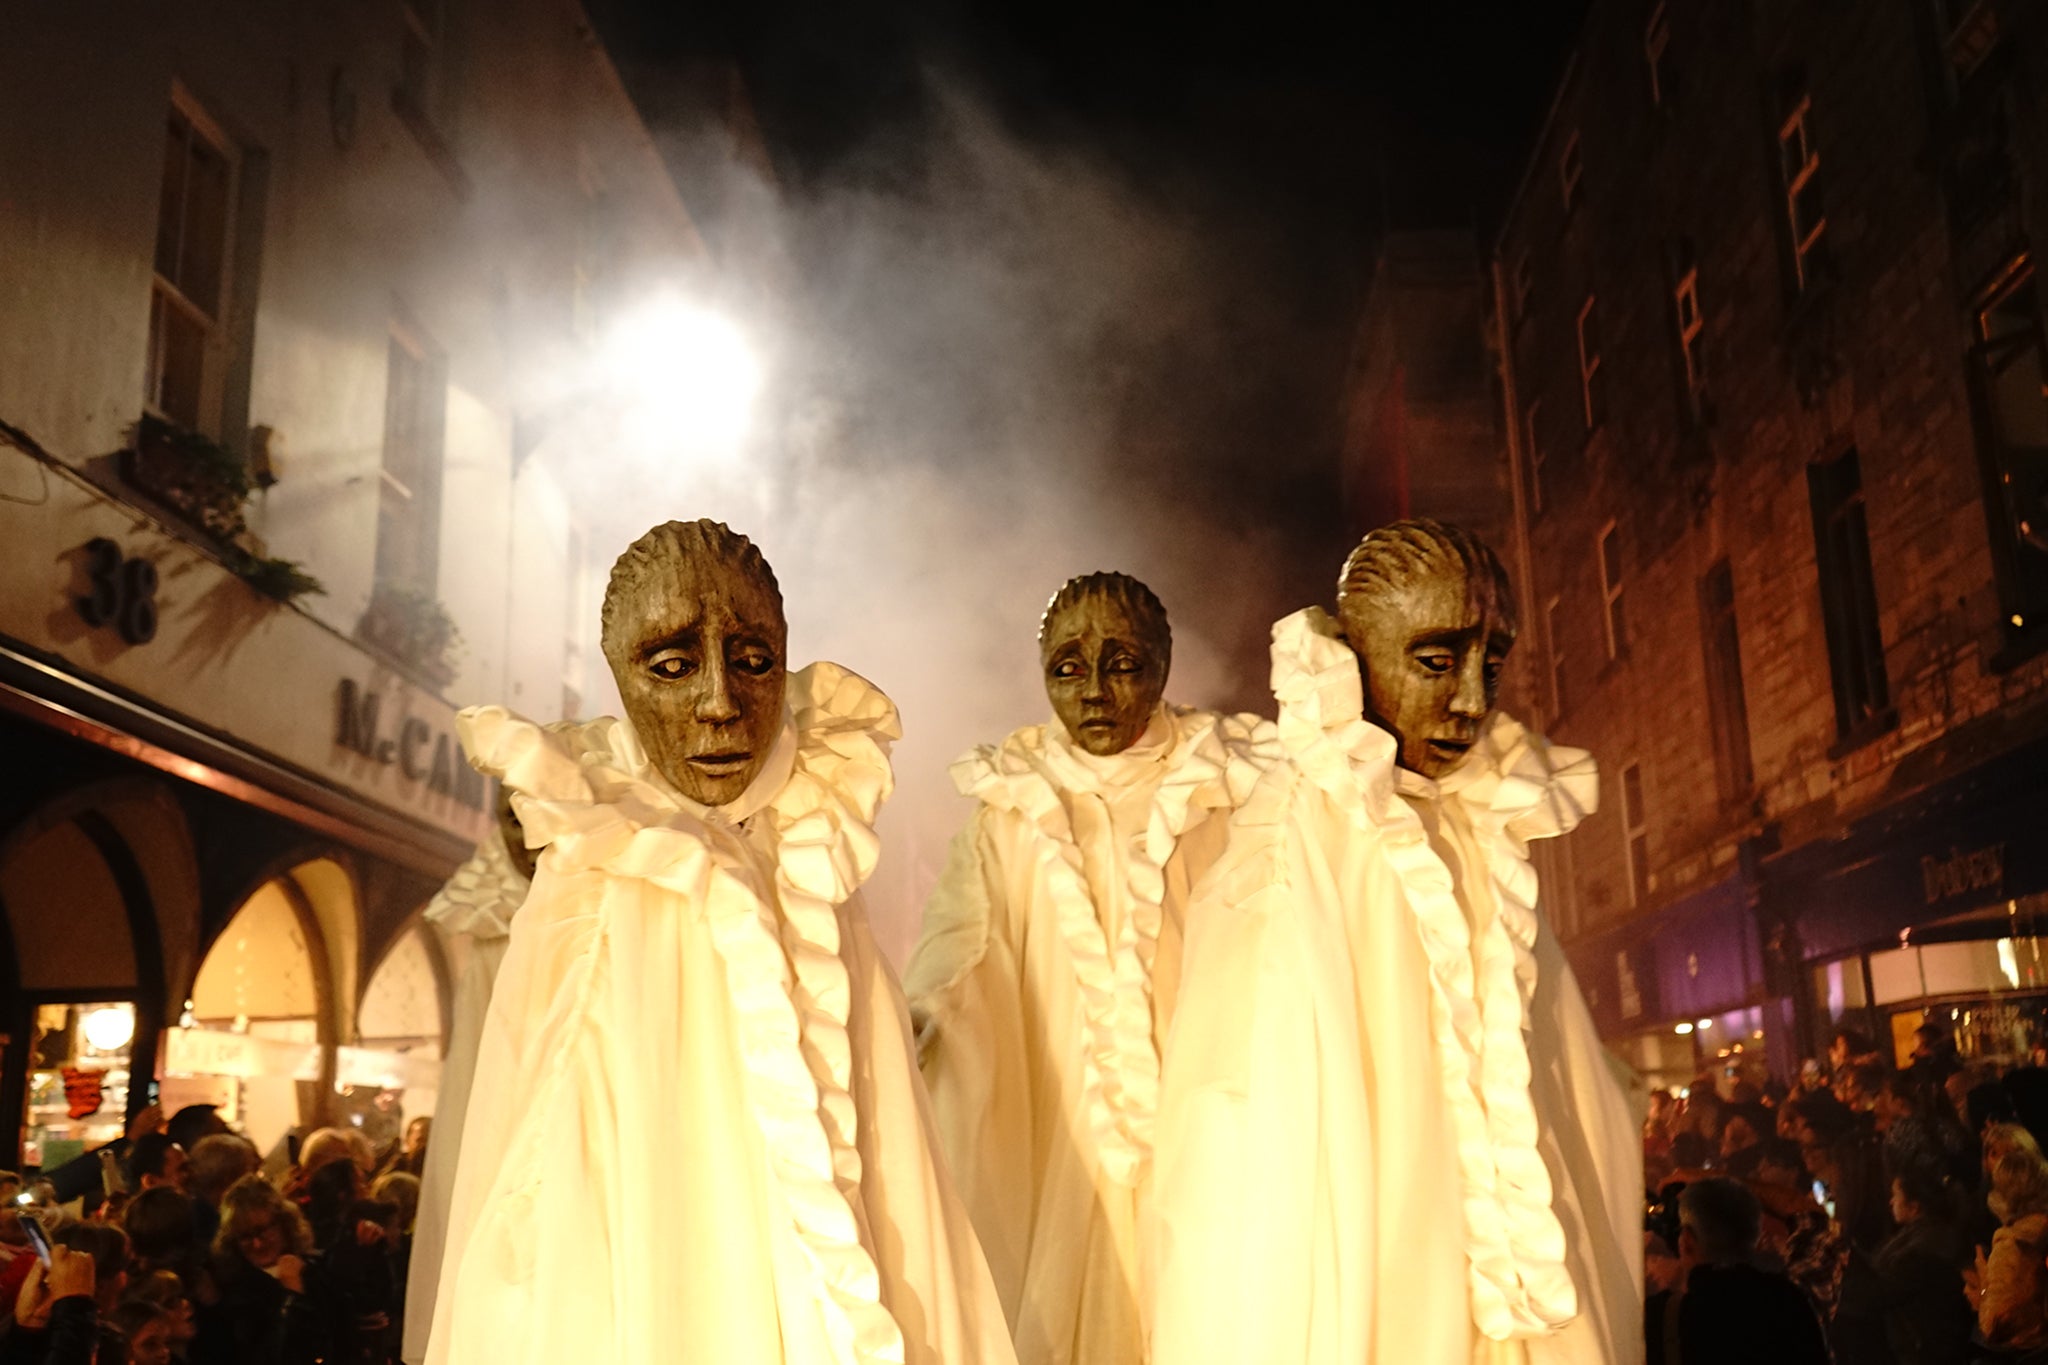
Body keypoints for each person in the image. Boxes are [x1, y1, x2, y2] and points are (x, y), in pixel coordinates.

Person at [428, 521, 1015, 1365]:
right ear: (624, 680)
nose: (719, 702)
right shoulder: (594, 883)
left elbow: (893, 1172)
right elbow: (550, 1180)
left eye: (751, 660)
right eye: (670, 666)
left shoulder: (813, 857)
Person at [1152, 520, 1640, 1365]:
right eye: (1437, 660)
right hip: (1373, 1269)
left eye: (1491, 665)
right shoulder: (1290, 838)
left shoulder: (1477, 829)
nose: (1472, 702)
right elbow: (1256, 1126)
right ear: (1357, 659)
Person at [903, 572, 1273, 1365]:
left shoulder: (1231, 788)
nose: (1095, 691)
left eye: (1122, 662)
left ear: (1163, 666)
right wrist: (924, 1014)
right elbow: (964, 939)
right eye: (1069, 667)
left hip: (1206, 1115)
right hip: (1061, 1127)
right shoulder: (1012, 808)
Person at [402, 784, 540, 1365]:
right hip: (501, 1117)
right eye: (508, 813)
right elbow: (474, 1074)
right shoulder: (490, 935)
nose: (522, 830)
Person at [1644, 1177, 1829, 1365]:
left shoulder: (1661, 1319)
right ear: (1755, 1240)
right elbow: (1813, 1220)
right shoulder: (1791, 1303)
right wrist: (1717, 1181)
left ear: (1687, 1241)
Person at [1872, 1167, 1972, 1365]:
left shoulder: (1923, 1248)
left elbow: (1883, 1291)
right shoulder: (1926, 1235)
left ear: (1914, 1206)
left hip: (1925, 1348)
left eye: (1896, 1195)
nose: (1891, 1202)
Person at [1965, 1149, 2048, 1350]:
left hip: (2029, 1348)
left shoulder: (2010, 1247)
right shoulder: (2041, 1229)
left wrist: (1983, 1287)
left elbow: (1992, 1325)